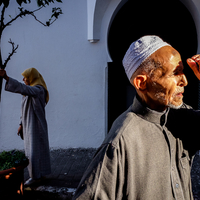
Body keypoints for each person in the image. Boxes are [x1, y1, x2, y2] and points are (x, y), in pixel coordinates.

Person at [72, 35, 200, 200]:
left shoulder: (182, 117)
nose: (184, 80)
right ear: (142, 83)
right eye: (175, 73)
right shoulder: (121, 141)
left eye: (182, 71)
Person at [0, 67, 51, 186]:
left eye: (25, 77)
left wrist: (6, 78)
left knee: (34, 151)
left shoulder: (38, 90)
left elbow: (23, 88)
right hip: (29, 124)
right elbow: (24, 109)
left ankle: (36, 177)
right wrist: (21, 124)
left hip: (36, 125)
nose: (23, 79)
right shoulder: (30, 90)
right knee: (34, 150)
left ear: (31, 78)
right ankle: (39, 175)